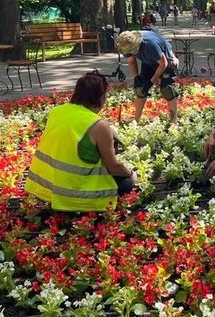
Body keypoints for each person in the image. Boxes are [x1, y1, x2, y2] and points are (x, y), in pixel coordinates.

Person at [25, 72, 137, 212]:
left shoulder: (57, 111)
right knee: (126, 182)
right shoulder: (99, 125)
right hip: (77, 196)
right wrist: (132, 174)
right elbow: (113, 166)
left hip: (48, 190)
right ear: (101, 97)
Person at [117, 30, 180, 124]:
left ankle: (174, 121)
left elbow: (163, 64)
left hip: (166, 60)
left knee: (167, 89)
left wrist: (151, 81)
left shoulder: (151, 45)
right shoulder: (125, 44)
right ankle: (136, 120)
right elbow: (131, 62)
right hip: (148, 61)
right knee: (141, 88)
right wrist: (136, 78)